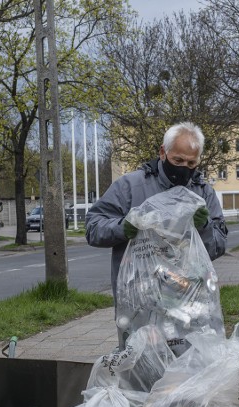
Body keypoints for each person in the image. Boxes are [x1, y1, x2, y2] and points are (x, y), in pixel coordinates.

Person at [85, 121, 228, 299]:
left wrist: (204, 227)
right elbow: (93, 228)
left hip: (190, 300)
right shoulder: (130, 187)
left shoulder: (203, 193)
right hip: (139, 300)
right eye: (178, 160)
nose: (184, 168)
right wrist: (123, 227)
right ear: (162, 152)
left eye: (191, 163)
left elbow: (218, 248)